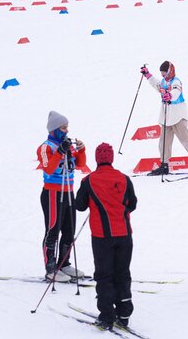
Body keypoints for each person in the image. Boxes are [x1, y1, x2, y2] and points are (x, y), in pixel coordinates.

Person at [75, 143, 137, 329]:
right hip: (124, 235)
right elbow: (132, 204)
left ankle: (106, 316)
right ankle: (124, 314)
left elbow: (79, 205)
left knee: (104, 276)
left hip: (102, 236)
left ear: (97, 159)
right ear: (111, 158)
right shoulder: (124, 179)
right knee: (122, 274)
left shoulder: (89, 181)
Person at [37, 111, 87, 282]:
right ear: (54, 129)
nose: (67, 130)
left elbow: (80, 165)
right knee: (53, 229)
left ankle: (64, 264)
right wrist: (59, 152)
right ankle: (50, 267)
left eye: (67, 127)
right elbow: (48, 168)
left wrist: (81, 150)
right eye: (63, 127)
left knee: (69, 228)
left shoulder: (67, 145)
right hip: (52, 192)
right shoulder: (46, 147)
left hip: (68, 191)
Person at [140, 61, 188, 175]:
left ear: (170, 71)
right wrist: (147, 75)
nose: (163, 76)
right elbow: (156, 84)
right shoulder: (163, 82)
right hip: (167, 117)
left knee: (186, 141)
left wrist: (170, 95)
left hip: (178, 116)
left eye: (165, 73)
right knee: (164, 143)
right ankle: (164, 165)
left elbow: (176, 91)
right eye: (161, 74)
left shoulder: (176, 82)